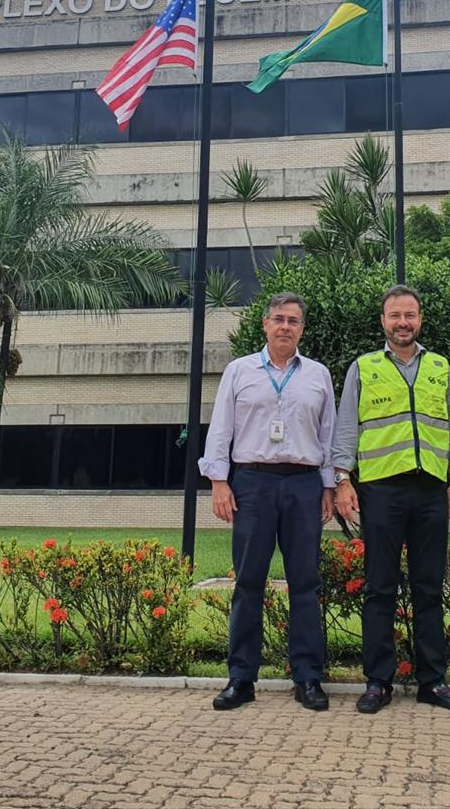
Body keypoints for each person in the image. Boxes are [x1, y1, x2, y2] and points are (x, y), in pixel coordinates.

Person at [332, 285, 450, 714]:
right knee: (380, 588)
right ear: (383, 321)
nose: (403, 322)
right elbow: (346, 428)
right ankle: (378, 682)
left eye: (409, 315)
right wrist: (342, 480)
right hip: (381, 491)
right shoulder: (364, 366)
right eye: (395, 315)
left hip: (431, 489)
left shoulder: (439, 366)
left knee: (429, 588)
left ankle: (433, 680)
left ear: (420, 319)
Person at [199, 292, 337, 712]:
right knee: (248, 582)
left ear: (302, 329)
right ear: (264, 324)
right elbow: (221, 428)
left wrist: (328, 487)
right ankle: (241, 678)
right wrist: (219, 482)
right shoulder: (240, 371)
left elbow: (328, 434)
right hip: (252, 484)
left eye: (294, 321)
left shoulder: (318, 375)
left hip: (303, 485)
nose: (285, 327)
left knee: (306, 583)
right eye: (278, 319)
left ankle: (308, 677)